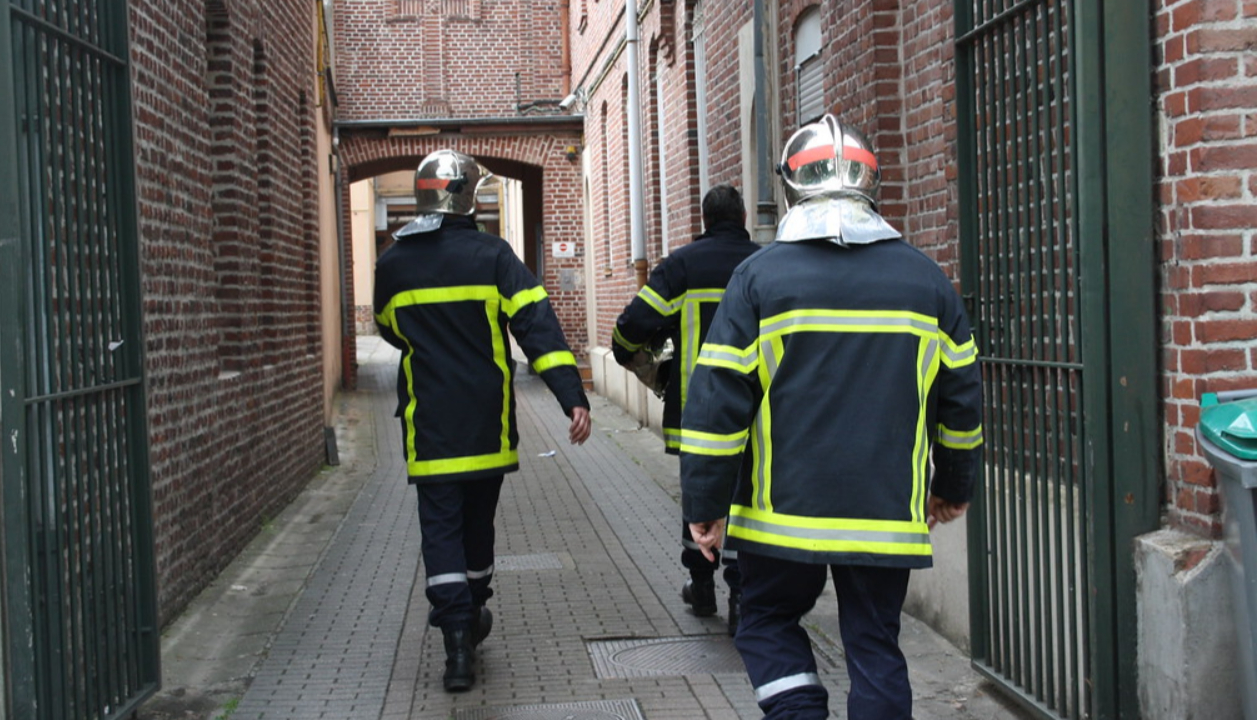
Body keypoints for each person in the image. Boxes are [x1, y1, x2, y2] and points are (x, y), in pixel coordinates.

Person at [678, 114, 984, 720]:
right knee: (875, 644)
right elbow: (961, 403)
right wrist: (952, 486)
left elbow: (717, 407)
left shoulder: (759, 278)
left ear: (791, 187)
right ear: (872, 185)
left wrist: (704, 505)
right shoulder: (927, 282)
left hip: (780, 515)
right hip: (885, 513)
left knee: (766, 621)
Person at [374, 149, 592, 693]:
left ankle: (454, 645)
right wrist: (572, 397)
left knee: (439, 530)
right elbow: (537, 326)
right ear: (468, 195)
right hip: (487, 425)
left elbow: (388, 329)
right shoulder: (494, 255)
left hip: (429, 426)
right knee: (477, 528)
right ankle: (471, 617)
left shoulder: (393, 262)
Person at [611, 184, 759, 635]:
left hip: (698, 411)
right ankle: (741, 594)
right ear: (745, 215)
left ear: (705, 220)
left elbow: (631, 326)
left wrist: (636, 360)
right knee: (744, 498)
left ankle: (701, 587)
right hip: (755, 410)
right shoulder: (763, 265)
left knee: (698, 493)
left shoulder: (681, 267)